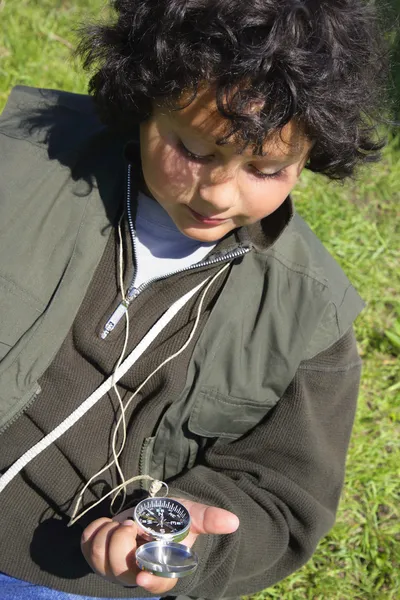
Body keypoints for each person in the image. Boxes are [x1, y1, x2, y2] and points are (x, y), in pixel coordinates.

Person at [0, 0, 390, 598]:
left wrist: (189, 534)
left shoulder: (310, 318)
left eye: (266, 168)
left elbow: (282, 494)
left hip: (61, 579)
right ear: (144, 103)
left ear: (311, 153)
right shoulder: (19, 168)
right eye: (195, 150)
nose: (217, 192)